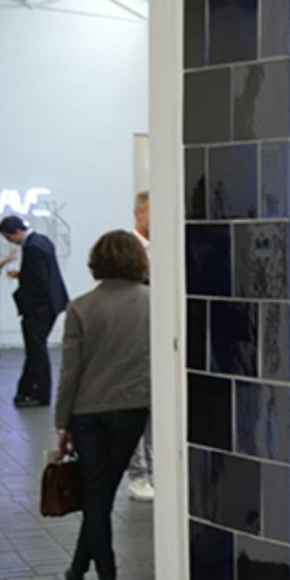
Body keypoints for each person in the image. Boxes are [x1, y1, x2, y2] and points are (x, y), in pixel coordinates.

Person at [55, 230, 152, 580]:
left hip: (87, 411)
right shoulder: (152, 303)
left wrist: (62, 423)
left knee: (98, 491)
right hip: (131, 407)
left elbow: (70, 371)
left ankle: (96, 572)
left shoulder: (80, 307)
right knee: (102, 491)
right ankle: (89, 572)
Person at [0, 215, 70, 407]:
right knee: (36, 349)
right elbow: (41, 273)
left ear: (16, 232)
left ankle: (40, 393)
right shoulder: (42, 241)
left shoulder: (32, 247)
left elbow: (38, 281)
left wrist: (25, 301)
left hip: (39, 307)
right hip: (52, 303)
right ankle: (26, 390)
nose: (9, 241)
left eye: (8, 237)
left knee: (36, 351)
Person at [124, 191, 154, 502]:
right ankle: (139, 474)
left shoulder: (165, 248)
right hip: (136, 344)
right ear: (139, 213)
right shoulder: (129, 252)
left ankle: (151, 472)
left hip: (157, 343)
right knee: (140, 412)